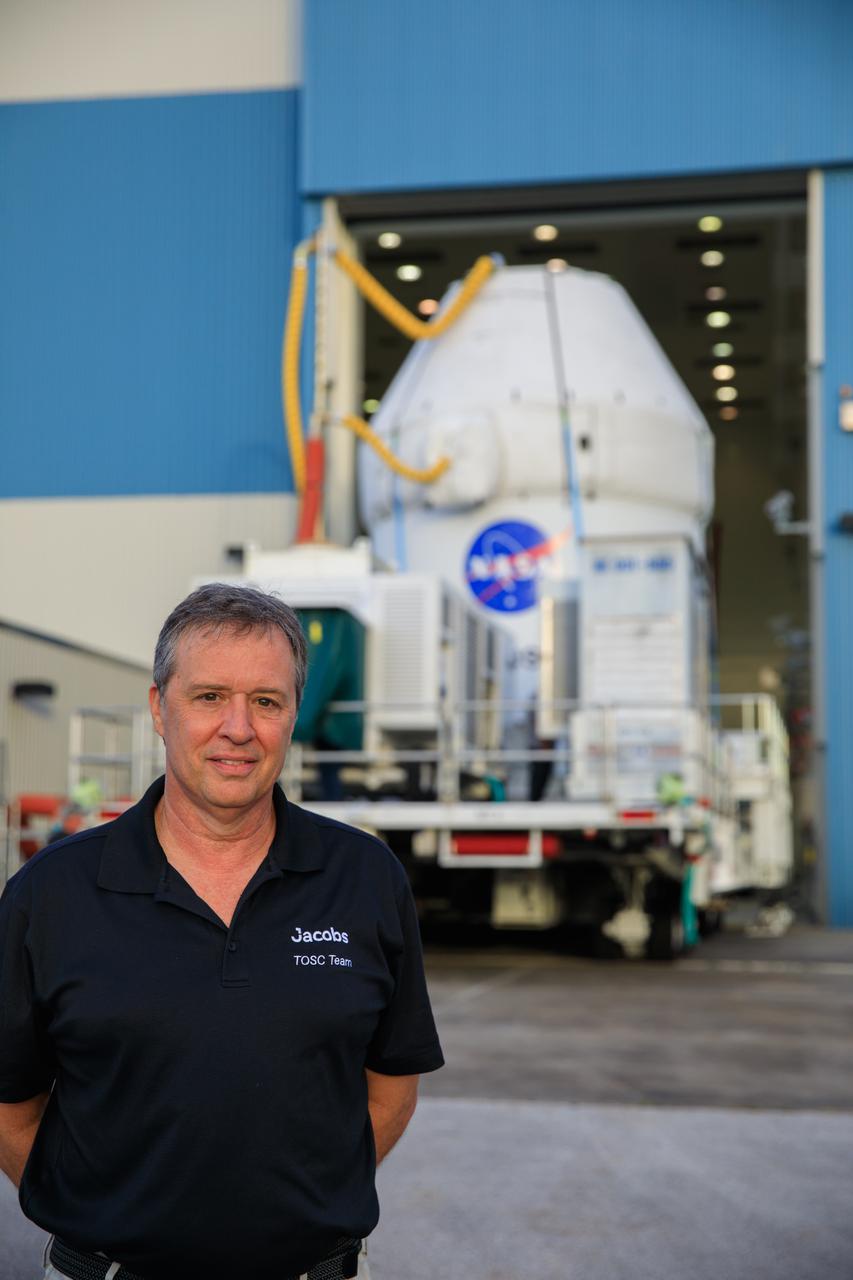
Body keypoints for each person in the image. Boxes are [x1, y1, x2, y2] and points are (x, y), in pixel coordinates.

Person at [0, 584, 443, 1280]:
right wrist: (105, 1211)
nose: (238, 727)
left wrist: (294, 1208)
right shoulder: (51, 893)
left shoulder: (363, 879)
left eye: (266, 701)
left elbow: (390, 1089)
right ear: (158, 708)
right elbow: (8, 1102)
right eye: (208, 697)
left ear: (294, 714)